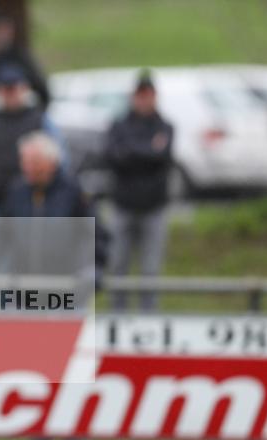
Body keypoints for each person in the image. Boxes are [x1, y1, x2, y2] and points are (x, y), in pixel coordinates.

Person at [0, 63, 63, 278]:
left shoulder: (39, 119)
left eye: (14, 88)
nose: (10, 94)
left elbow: (59, 157)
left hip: (28, 205)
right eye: (5, 89)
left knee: (23, 265)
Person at [2, 131, 106, 303]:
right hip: (21, 292)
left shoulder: (73, 192)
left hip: (65, 292)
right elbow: (1, 235)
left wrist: (94, 266)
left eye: (34, 163)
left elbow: (95, 234)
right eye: (24, 162)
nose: (27, 168)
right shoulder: (16, 191)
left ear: (52, 163)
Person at [104, 71, 174, 312]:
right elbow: (114, 157)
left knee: (150, 269)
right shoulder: (119, 125)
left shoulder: (165, 126)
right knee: (117, 265)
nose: (144, 100)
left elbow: (161, 157)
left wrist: (132, 150)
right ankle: (117, 316)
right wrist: (146, 151)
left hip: (154, 207)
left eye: (148, 95)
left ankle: (148, 318)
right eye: (140, 95)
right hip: (123, 205)